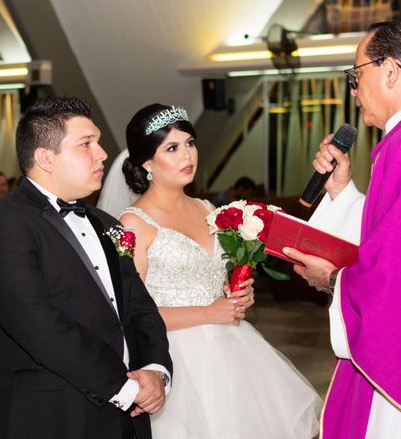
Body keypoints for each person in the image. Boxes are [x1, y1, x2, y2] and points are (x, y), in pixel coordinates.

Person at [0, 96, 172, 439]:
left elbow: (139, 305)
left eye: (98, 141)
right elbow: (36, 324)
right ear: (45, 158)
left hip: (127, 416)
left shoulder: (105, 223)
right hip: (50, 417)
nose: (103, 153)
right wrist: (123, 387)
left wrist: (155, 369)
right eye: (86, 143)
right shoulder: (2, 223)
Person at [117, 104, 321, 439]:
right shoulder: (133, 223)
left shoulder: (207, 209)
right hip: (174, 360)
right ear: (146, 163)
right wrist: (210, 311)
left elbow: (215, 279)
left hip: (231, 350)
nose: (188, 156)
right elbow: (131, 313)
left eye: (190, 143)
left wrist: (237, 293)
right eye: (172, 148)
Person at [283, 19, 401, 438]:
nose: (353, 91)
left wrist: (334, 280)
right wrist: (342, 191)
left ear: (391, 71)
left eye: (356, 76)